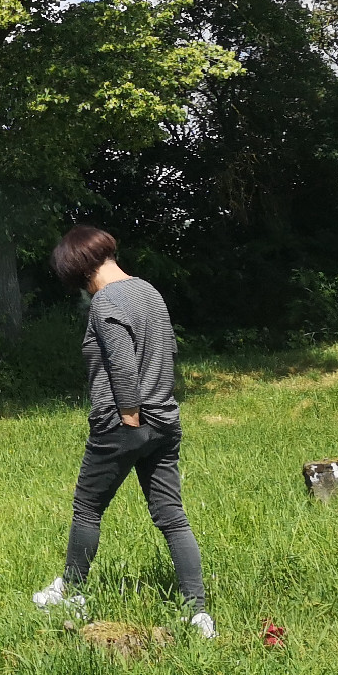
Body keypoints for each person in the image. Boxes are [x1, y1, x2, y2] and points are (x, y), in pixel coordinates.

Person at [34, 226, 213, 638]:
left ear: (79, 269)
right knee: (172, 517)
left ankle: (72, 591)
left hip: (123, 423)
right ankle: (197, 612)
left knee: (87, 508)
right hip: (166, 420)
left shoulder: (106, 301)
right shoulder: (149, 292)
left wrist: (129, 419)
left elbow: (121, 365)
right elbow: (167, 353)